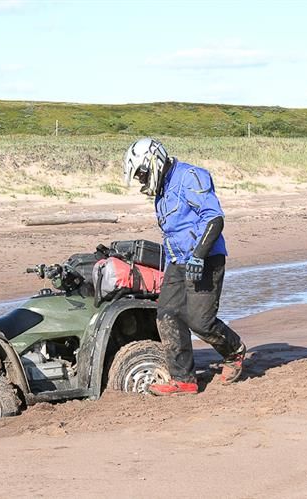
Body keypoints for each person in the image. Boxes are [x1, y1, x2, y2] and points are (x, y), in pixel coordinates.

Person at [123, 138, 246, 395]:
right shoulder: (161, 193)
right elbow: (171, 234)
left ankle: (233, 350)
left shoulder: (191, 177)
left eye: (142, 174)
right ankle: (184, 380)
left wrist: (199, 255)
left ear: (154, 163)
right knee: (167, 315)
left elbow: (214, 218)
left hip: (206, 258)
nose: (142, 181)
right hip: (177, 261)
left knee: (200, 321)